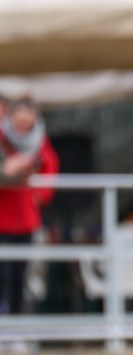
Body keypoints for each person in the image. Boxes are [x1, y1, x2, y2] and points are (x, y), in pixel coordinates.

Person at [0, 96, 59, 315]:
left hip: (26, 219)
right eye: (19, 122)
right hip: (2, 218)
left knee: (20, 275)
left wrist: (40, 196)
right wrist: (9, 172)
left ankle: (15, 322)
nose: (23, 126)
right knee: (3, 274)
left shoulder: (39, 141)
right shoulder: (2, 139)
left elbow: (50, 165)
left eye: (28, 122)